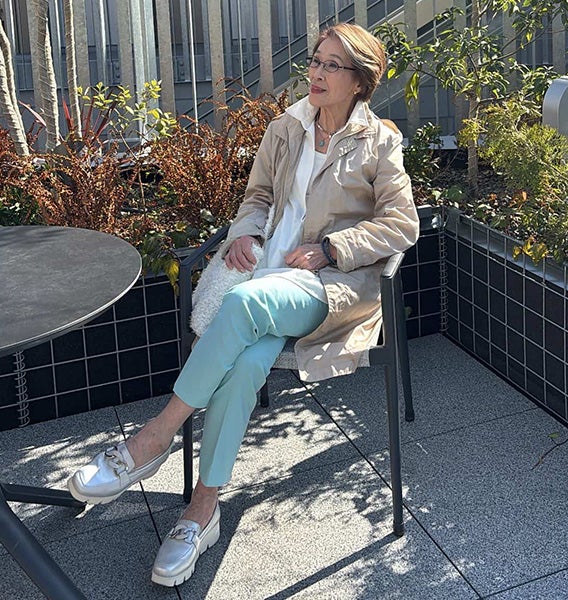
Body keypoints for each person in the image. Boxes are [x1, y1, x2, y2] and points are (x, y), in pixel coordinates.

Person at [68, 22, 419, 588]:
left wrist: (332, 248)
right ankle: (202, 509)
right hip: (265, 275)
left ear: (359, 82)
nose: (316, 72)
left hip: (326, 286)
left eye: (332, 65)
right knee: (247, 363)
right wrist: (247, 234)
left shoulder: (379, 142)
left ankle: (156, 435)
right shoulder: (286, 128)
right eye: (315, 60)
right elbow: (256, 198)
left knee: (247, 304)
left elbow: (402, 224)